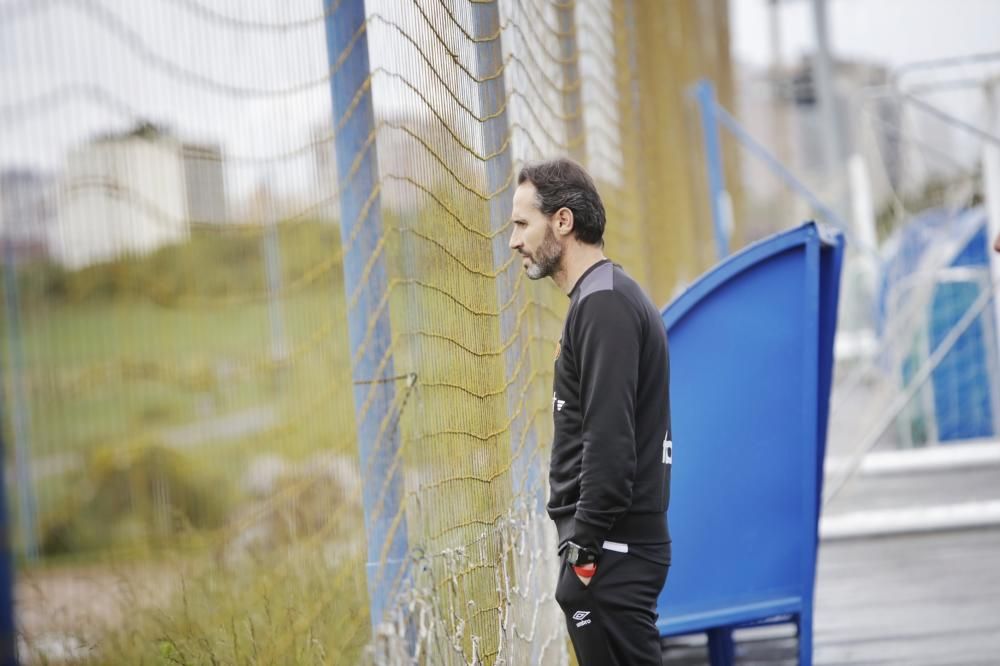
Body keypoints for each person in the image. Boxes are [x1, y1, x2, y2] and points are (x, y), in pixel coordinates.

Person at [508, 157, 672, 665]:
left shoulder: (604, 305)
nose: (514, 241)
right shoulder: (597, 299)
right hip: (610, 549)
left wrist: (583, 551)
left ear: (562, 221)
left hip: (610, 550)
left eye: (521, 223)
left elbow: (609, 442)